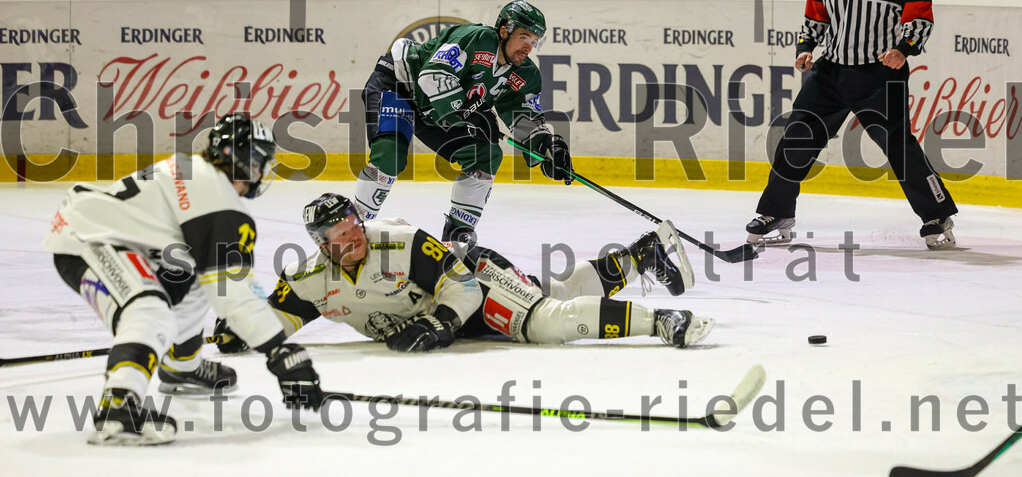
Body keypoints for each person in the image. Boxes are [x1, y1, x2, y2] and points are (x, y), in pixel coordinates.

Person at [41, 113, 327, 445]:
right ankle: (119, 405)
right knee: (148, 309)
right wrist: (279, 350)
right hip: (90, 238)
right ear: (250, 161)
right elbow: (231, 291)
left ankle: (183, 362)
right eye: (264, 160)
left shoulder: (197, 173)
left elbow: (218, 282)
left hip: (118, 237)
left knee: (196, 276)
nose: (265, 169)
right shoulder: (220, 201)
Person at [213, 193, 711, 354]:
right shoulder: (308, 279)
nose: (354, 237)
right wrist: (241, 330)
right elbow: (278, 318)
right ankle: (641, 257)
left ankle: (661, 321)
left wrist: (442, 321)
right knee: (552, 292)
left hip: (472, 281)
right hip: (449, 314)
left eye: (354, 225)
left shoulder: (398, 242)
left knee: (544, 321)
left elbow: (462, 284)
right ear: (321, 246)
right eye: (341, 236)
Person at [744, 0, 958, 250]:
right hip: (832, 72)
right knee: (795, 138)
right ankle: (777, 211)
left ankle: (937, 214)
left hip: (879, 76)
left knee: (899, 147)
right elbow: (815, 15)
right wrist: (805, 47)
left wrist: (903, 50)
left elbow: (921, 17)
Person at [355, 0, 573, 243]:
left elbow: (522, 114)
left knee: (486, 155)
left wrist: (545, 147)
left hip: (436, 111)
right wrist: (469, 115)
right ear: (504, 31)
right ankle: (353, 230)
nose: (527, 47)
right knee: (389, 155)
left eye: (534, 41)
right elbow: (432, 77)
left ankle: (458, 235)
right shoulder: (475, 38)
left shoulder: (525, 74)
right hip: (400, 86)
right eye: (524, 37)